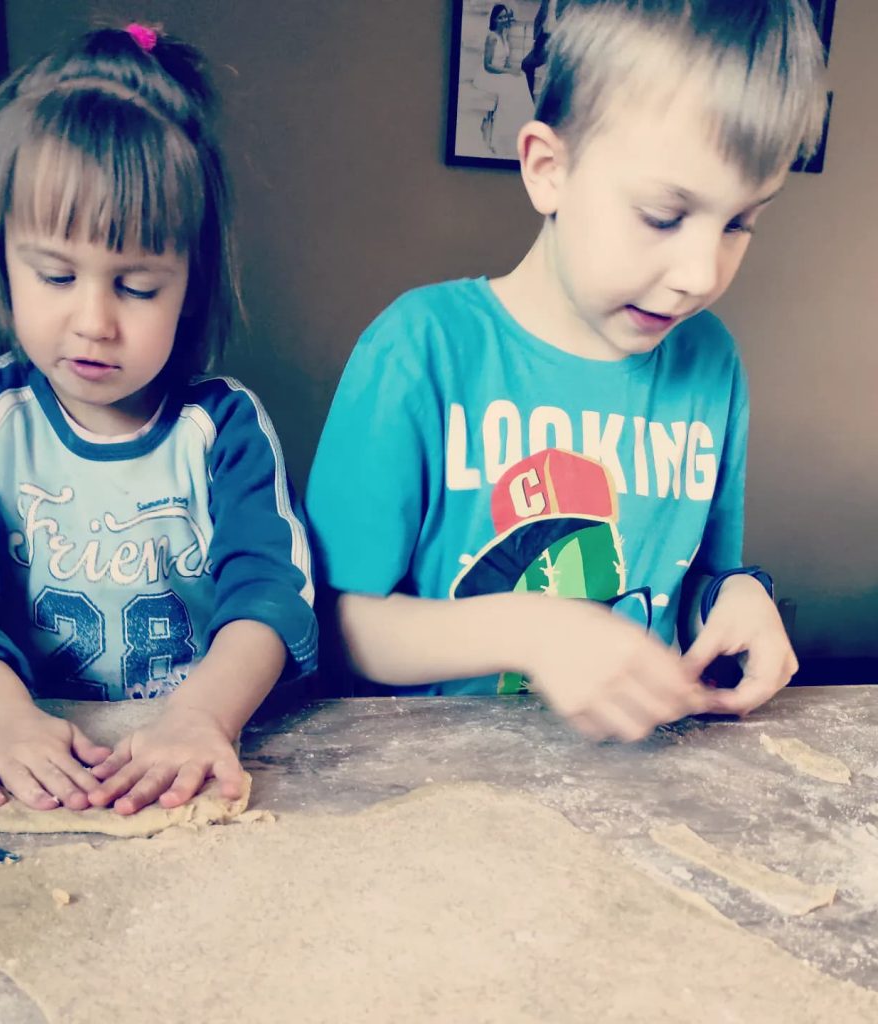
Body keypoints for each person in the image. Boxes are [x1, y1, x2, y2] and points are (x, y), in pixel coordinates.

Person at [306, 0, 827, 741]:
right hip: (437, 777)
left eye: (741, 222)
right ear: (548, 170)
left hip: (637, 775)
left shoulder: (713, 364)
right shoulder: (419, 351)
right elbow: (337, 623)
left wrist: (739, 599)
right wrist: (533, 631)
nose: (701, 275)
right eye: (663, 215)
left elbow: (697, 584)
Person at [0, 24, 316, 815]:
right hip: (28, 773)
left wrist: (203, 715)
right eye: (56, 276)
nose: (94, 322)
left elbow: (272, 595)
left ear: (191, 287)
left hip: (184, 763)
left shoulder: (225, 430)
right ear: (2, 259)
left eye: (138, 287)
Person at [474, 5, 538, 155]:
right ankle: (501, 133)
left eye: (505, 17)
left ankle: (522, 124)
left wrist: (513, 70)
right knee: (513, 85)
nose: (503, 20)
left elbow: (503, 62)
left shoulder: (503, 34)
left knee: (521, 77)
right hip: (487, 76)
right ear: (494, 19)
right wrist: (509, 72)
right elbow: (488, 66)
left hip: (499, 73)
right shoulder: (491, 37)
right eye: (500, 17)